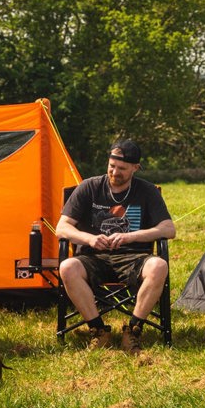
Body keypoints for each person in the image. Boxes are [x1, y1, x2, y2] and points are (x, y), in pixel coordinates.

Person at [56, 139, 176, 354]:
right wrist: (89, 239)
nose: (114, 172)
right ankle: (98, 330)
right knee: (67, 267)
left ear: (135, 168)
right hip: (93, 258)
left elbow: (168, 229)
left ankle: (133, 330)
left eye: (121, 168)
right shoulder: (89, 187)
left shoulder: (147, 191)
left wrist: (132, 237)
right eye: (111, 166)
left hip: (134, 257)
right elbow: (62, 228)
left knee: (158, 266)